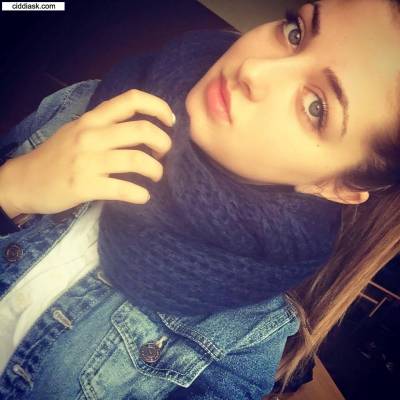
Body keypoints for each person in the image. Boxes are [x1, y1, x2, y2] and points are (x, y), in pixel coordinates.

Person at [0, 0, 399, 398]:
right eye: (296, 33)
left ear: (337, 185)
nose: (254, 70)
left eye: (316, 107)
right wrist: (13, 188)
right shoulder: (89, 107)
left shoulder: (245, 339)